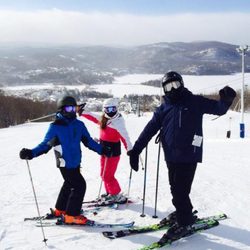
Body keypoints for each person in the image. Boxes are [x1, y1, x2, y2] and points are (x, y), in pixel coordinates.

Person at [128, 71, 236, 240]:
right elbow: (149, 129)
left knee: (180, 190)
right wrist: (136, 150)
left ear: (182, 84)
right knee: (176, 188)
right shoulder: (164, 107)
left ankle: (184, 221)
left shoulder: (194, 101)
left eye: (175, 84)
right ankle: (183, 211)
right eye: (168, 86)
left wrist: (226, 100)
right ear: (164, 89)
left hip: (189, 154)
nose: (172, 89)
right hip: (171, 155)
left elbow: (218, 109)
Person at [19, 95, 112, 225]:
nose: (72, 111)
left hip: (76, 162)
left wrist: (102, 150)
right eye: (69, 108)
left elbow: (88, 141)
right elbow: (45, 145)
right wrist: (31, 153)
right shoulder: (55, 127)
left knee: (69, 184)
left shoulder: (79, 125)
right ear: (61, 110)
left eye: (74, 108)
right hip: (64, 163)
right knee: (79, 185)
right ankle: (71, 215)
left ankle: (60, 209)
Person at [78, 98, 133, 203]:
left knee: (108, 175)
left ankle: (115, 194)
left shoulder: (118, 122)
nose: (111, 112)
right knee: (103, 174)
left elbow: (125, 137)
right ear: (104, 110)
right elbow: (93, 117)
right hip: (103, 150)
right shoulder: (104, 119)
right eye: (108, 109)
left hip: (113, 152)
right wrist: (82, 112)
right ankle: (110, 192)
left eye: (113, 109)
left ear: (116, 108)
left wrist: (130, 150)